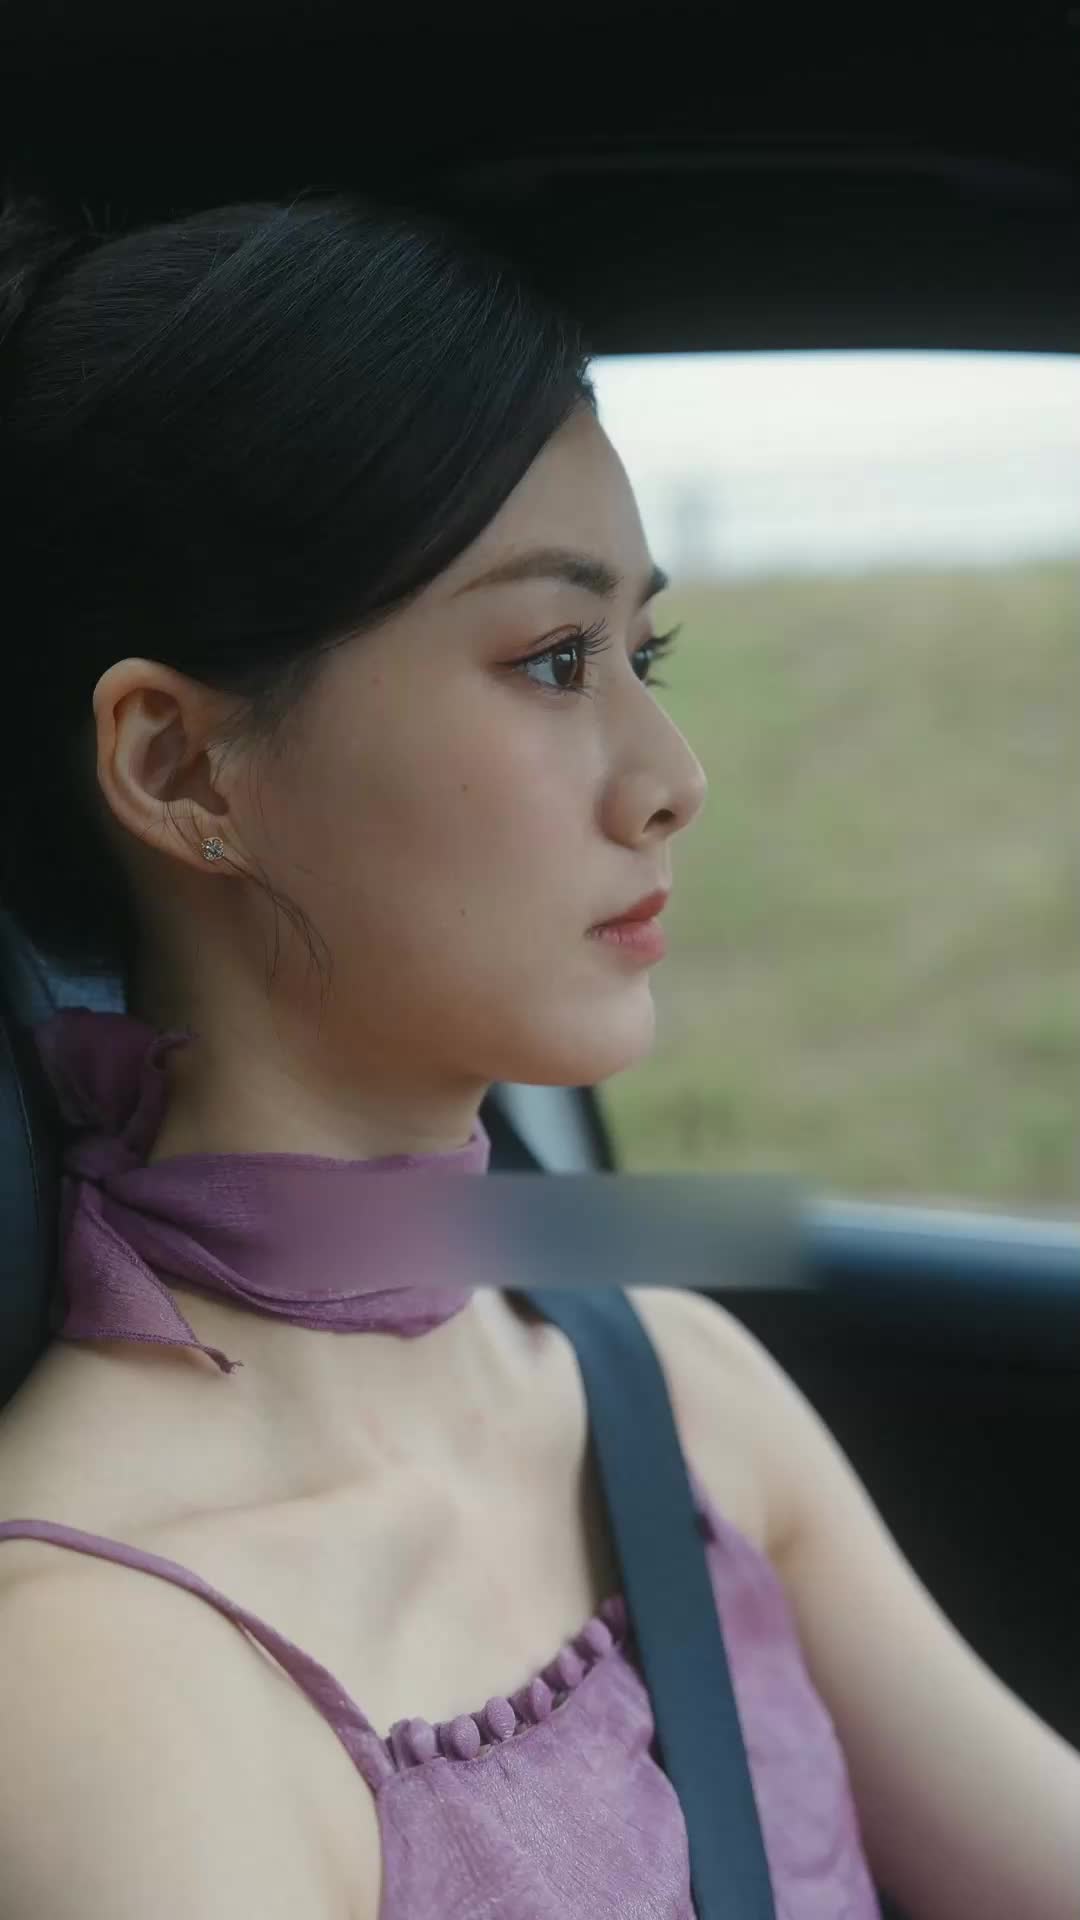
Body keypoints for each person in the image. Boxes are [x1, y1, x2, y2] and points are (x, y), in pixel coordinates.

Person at [0, 183, 1075, 1920]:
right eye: (557, 657)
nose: (675, 778)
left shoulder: (675, 1384)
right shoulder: (107, 1678)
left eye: (646, 650)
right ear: (181, 770)